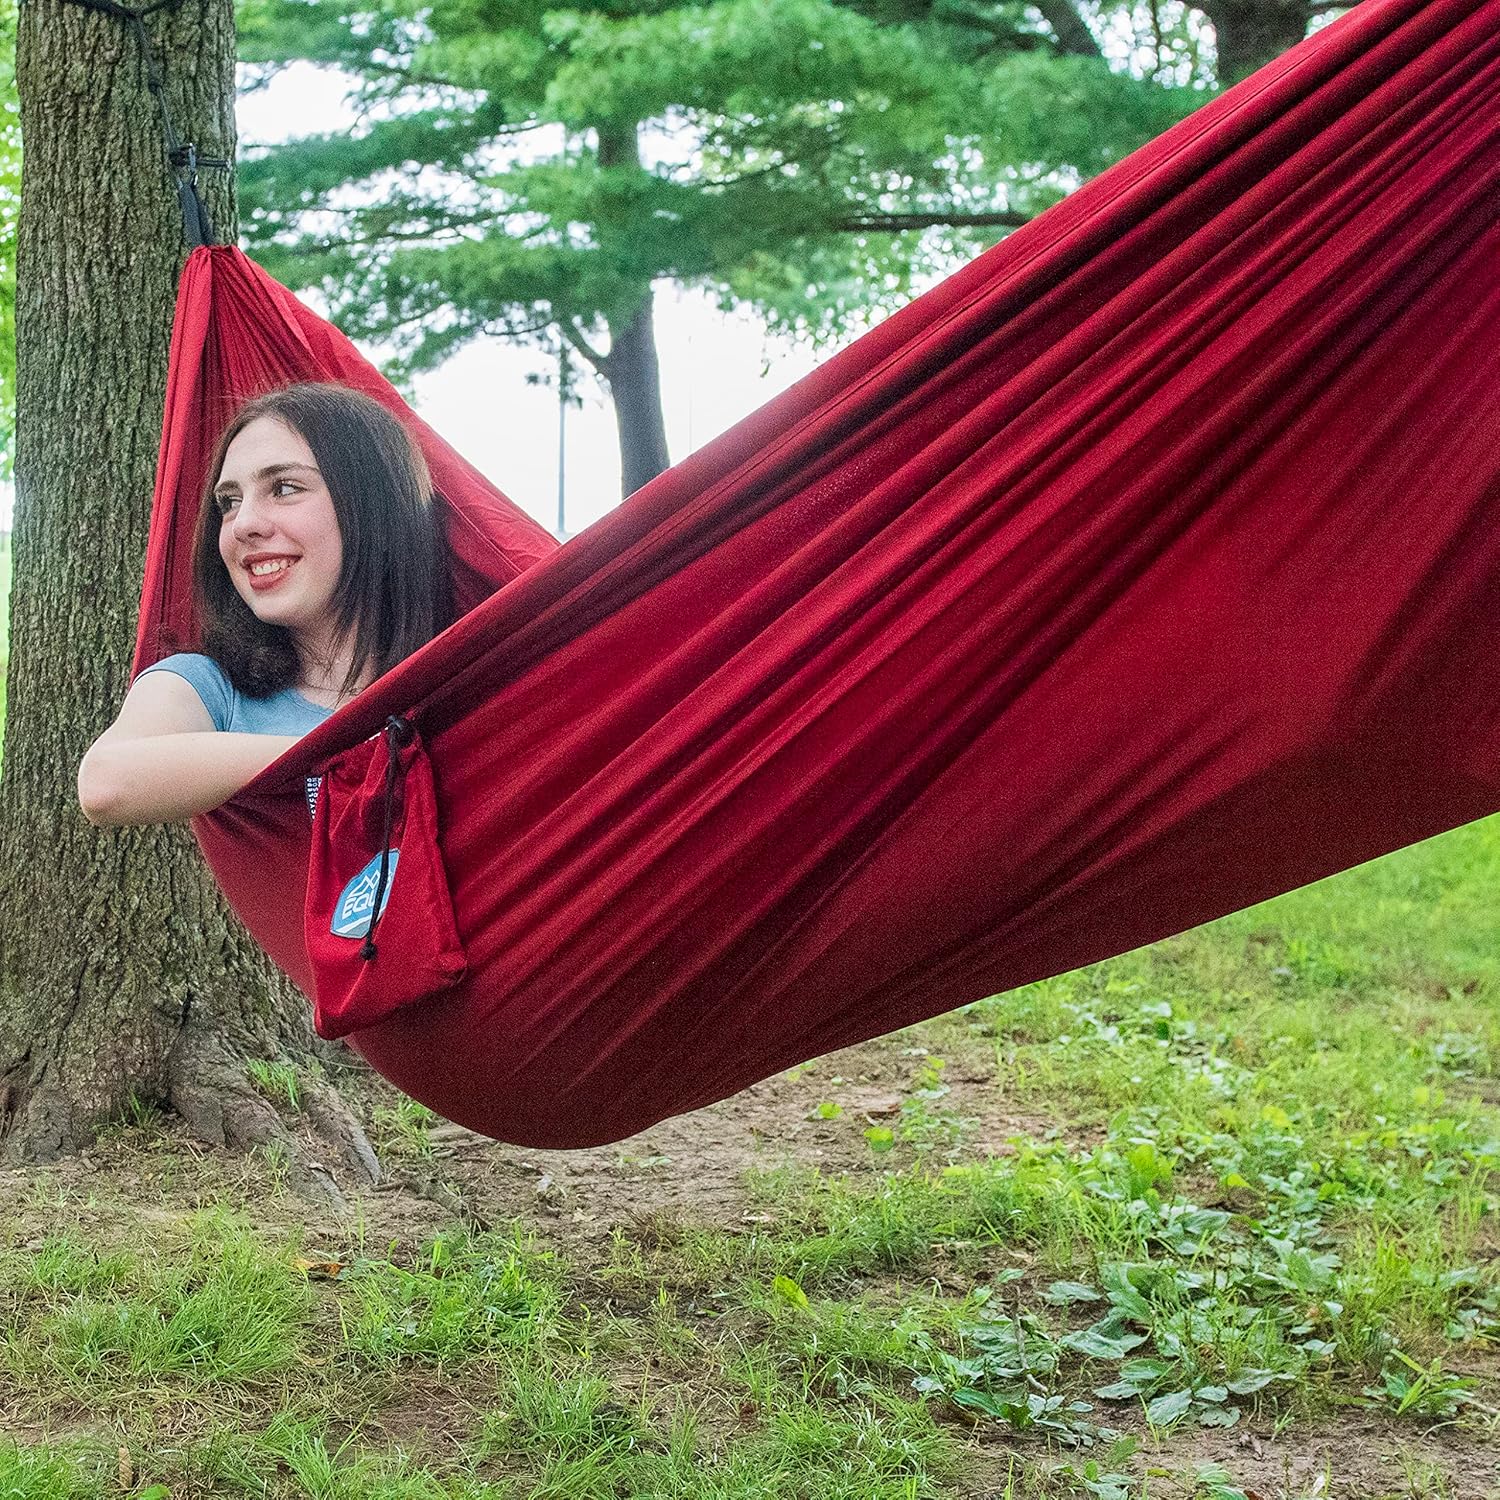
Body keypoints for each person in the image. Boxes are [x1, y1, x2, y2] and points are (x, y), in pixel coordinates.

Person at [77, 382, 455, 827]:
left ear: (374, 505)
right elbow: (106, 783)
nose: (244, 525)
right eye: (229, 502)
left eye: (285, 487)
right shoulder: (208, 686)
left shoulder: (456, 682)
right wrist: (352, 756)